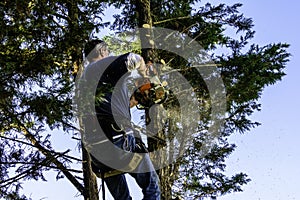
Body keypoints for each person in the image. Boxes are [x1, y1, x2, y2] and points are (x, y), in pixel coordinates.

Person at [81, 52, 161, 200]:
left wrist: (137, 97)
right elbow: (134, 59)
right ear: (101, 51)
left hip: (98, 154)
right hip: (117, 140)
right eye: (107, 52)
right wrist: (145, 71)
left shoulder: (89, 82)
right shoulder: (102, 66)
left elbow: (117, 106)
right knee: (152, 186)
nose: (110, 54)